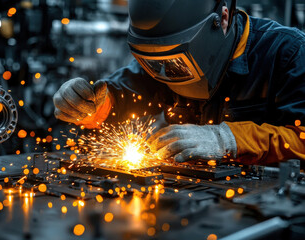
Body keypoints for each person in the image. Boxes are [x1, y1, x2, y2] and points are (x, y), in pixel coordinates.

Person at [53, 0, 305, 165]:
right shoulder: (160, 60)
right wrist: (91, 106)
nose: (165, 71)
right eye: (154, 61)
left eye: (175, 61)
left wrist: (229, 139)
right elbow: (126, 93)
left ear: (223, 19)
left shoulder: (289, 52)